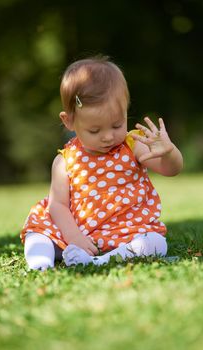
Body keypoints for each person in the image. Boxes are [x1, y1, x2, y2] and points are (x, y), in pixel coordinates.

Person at [21, 56, 183, 271]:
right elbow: (57, 205)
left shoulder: (133, 144)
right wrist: (75, 238)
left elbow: (170, 170)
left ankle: (99, 261)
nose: (108, 137)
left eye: (117, 125)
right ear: (68, 121)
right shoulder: (64, 160)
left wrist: (168, 153)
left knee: (155, 243)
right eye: (95, 130)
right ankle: (41, 264)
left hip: (125, 231)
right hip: (75, 231)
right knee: (38, 231)